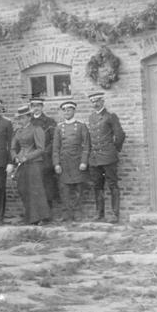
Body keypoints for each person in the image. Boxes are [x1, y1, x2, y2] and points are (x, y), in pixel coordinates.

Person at [86, 92, 126, 223]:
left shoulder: (110, 116)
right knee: (97, 186)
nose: (95, 104)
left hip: (108, 156)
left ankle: (115, 214)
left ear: (103, 101)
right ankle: (99, 213)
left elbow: (120, 134)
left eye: (97, 101)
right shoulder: (91, 117)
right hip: (95, 158)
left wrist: (114, 149)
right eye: (93, 102)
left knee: (113, 184)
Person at [8, 105, 51, 225]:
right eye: (18, 118)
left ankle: (41, 217)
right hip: (21, 164)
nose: (20, 120)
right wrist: (15, 157)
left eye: (22, 118)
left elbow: (41, 148)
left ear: (28, 118)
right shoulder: (18, 131)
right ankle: (29, 216)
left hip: (34, 163)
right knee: (23, 189)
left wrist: (27, 157)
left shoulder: (36, 129)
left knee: (35, 189)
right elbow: (12, 148)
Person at [52, 100, 90, 222]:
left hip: (77, 161)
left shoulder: (81, 126)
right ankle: (66, 214)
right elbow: (56, 147)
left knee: (79, 188)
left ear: (74, 111)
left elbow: (86, 145)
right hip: (64, 162)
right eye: (64, 110)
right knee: (64, 189)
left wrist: (84, 161)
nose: (66, 112)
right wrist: (56, 163)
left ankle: (78, 213)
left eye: (69, 110)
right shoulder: (59, 127)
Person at [29, 97, 59, 212]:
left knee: (46, 186)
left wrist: (44, 151)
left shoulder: (49, 122)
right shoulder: (28, 122)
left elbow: (54, 140)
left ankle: (46, 214)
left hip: (45, 159)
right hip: (31, 159)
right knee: (33, 186)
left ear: (42, 107)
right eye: (33, 106)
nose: (36, 108)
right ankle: (35, 214)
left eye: (38, 106)